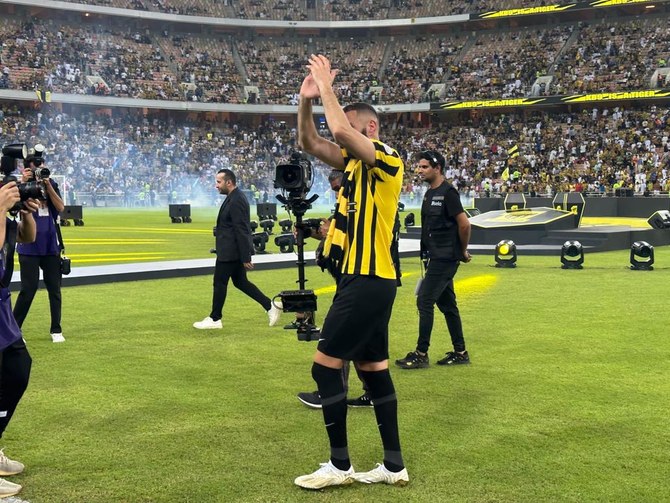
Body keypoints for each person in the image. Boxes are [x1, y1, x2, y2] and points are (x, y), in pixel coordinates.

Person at [293, 54, 408, 490]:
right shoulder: (353, 167)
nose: (342, 135)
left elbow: (339, 129)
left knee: (325, 369)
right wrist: (305, 101)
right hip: (368, 284)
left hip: (366, 282)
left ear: (371, 129)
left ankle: (339, 466)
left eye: (353, 126)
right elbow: (311, 142)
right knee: (374, 370)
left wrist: (326, 86)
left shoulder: (388, 159)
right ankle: (393, 467)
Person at [296, 170, 373, 410]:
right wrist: (313, 232)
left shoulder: (364, 206)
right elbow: (333, 242)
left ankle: (331, 394)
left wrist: (330, 234)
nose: (337, 192)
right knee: (362, 344)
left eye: (340, 187)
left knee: (335, 337)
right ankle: (373, 393)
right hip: (360, 286)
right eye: (333, 189)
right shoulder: (346, 207)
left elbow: (355, 242)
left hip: (360, 284)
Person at [395, 150, 472, 370]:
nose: (419, 170)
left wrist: (462, 251)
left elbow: (465, 224)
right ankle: (460, 352)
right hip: (435, 257)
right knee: (447, 305)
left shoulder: (448, 193)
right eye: (419, 166)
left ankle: (421, 353)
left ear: (437, 168)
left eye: (424, 167)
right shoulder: (429, 193)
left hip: (445, 258)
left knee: (424, 301)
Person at [193, 169, 282, 330]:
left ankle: (215, 319)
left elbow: (242, 229)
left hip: (230, 252)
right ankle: (270, 306)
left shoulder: (236, 200)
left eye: (219, 182)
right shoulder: (234, 197)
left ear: (229, 182)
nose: (216, 186)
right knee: (241, 282)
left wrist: (246, 256)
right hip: (230, 250)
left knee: (219, 282)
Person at [0, 180, 40, 498]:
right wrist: (0, 209)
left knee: (17, 369)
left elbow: (27, 237)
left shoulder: (6, 217)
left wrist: (25, 213)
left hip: (2, 307)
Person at [12, 154, 66, 343]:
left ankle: (56, 329)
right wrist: (23, 182)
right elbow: (14, 208)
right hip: (29, 247)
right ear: (27, 168)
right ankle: (15, 330)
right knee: (28, 289)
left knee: (54, 289)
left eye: (41, 167)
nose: (39, 171)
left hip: (51, 246)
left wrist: (48, 185)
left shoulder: (50, 184)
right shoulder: (22, 186)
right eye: (36, 167)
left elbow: (60, 207)